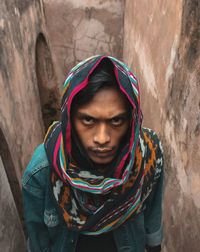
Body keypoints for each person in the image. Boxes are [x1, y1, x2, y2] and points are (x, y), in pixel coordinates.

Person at [22, 55, 164, 252]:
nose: (102, 138)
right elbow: (38, 241)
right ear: (69, 118)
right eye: (88, 120)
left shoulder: (148, 153)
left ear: (132, 121)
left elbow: (152, 216)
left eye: (116, 121)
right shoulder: (41, 172)